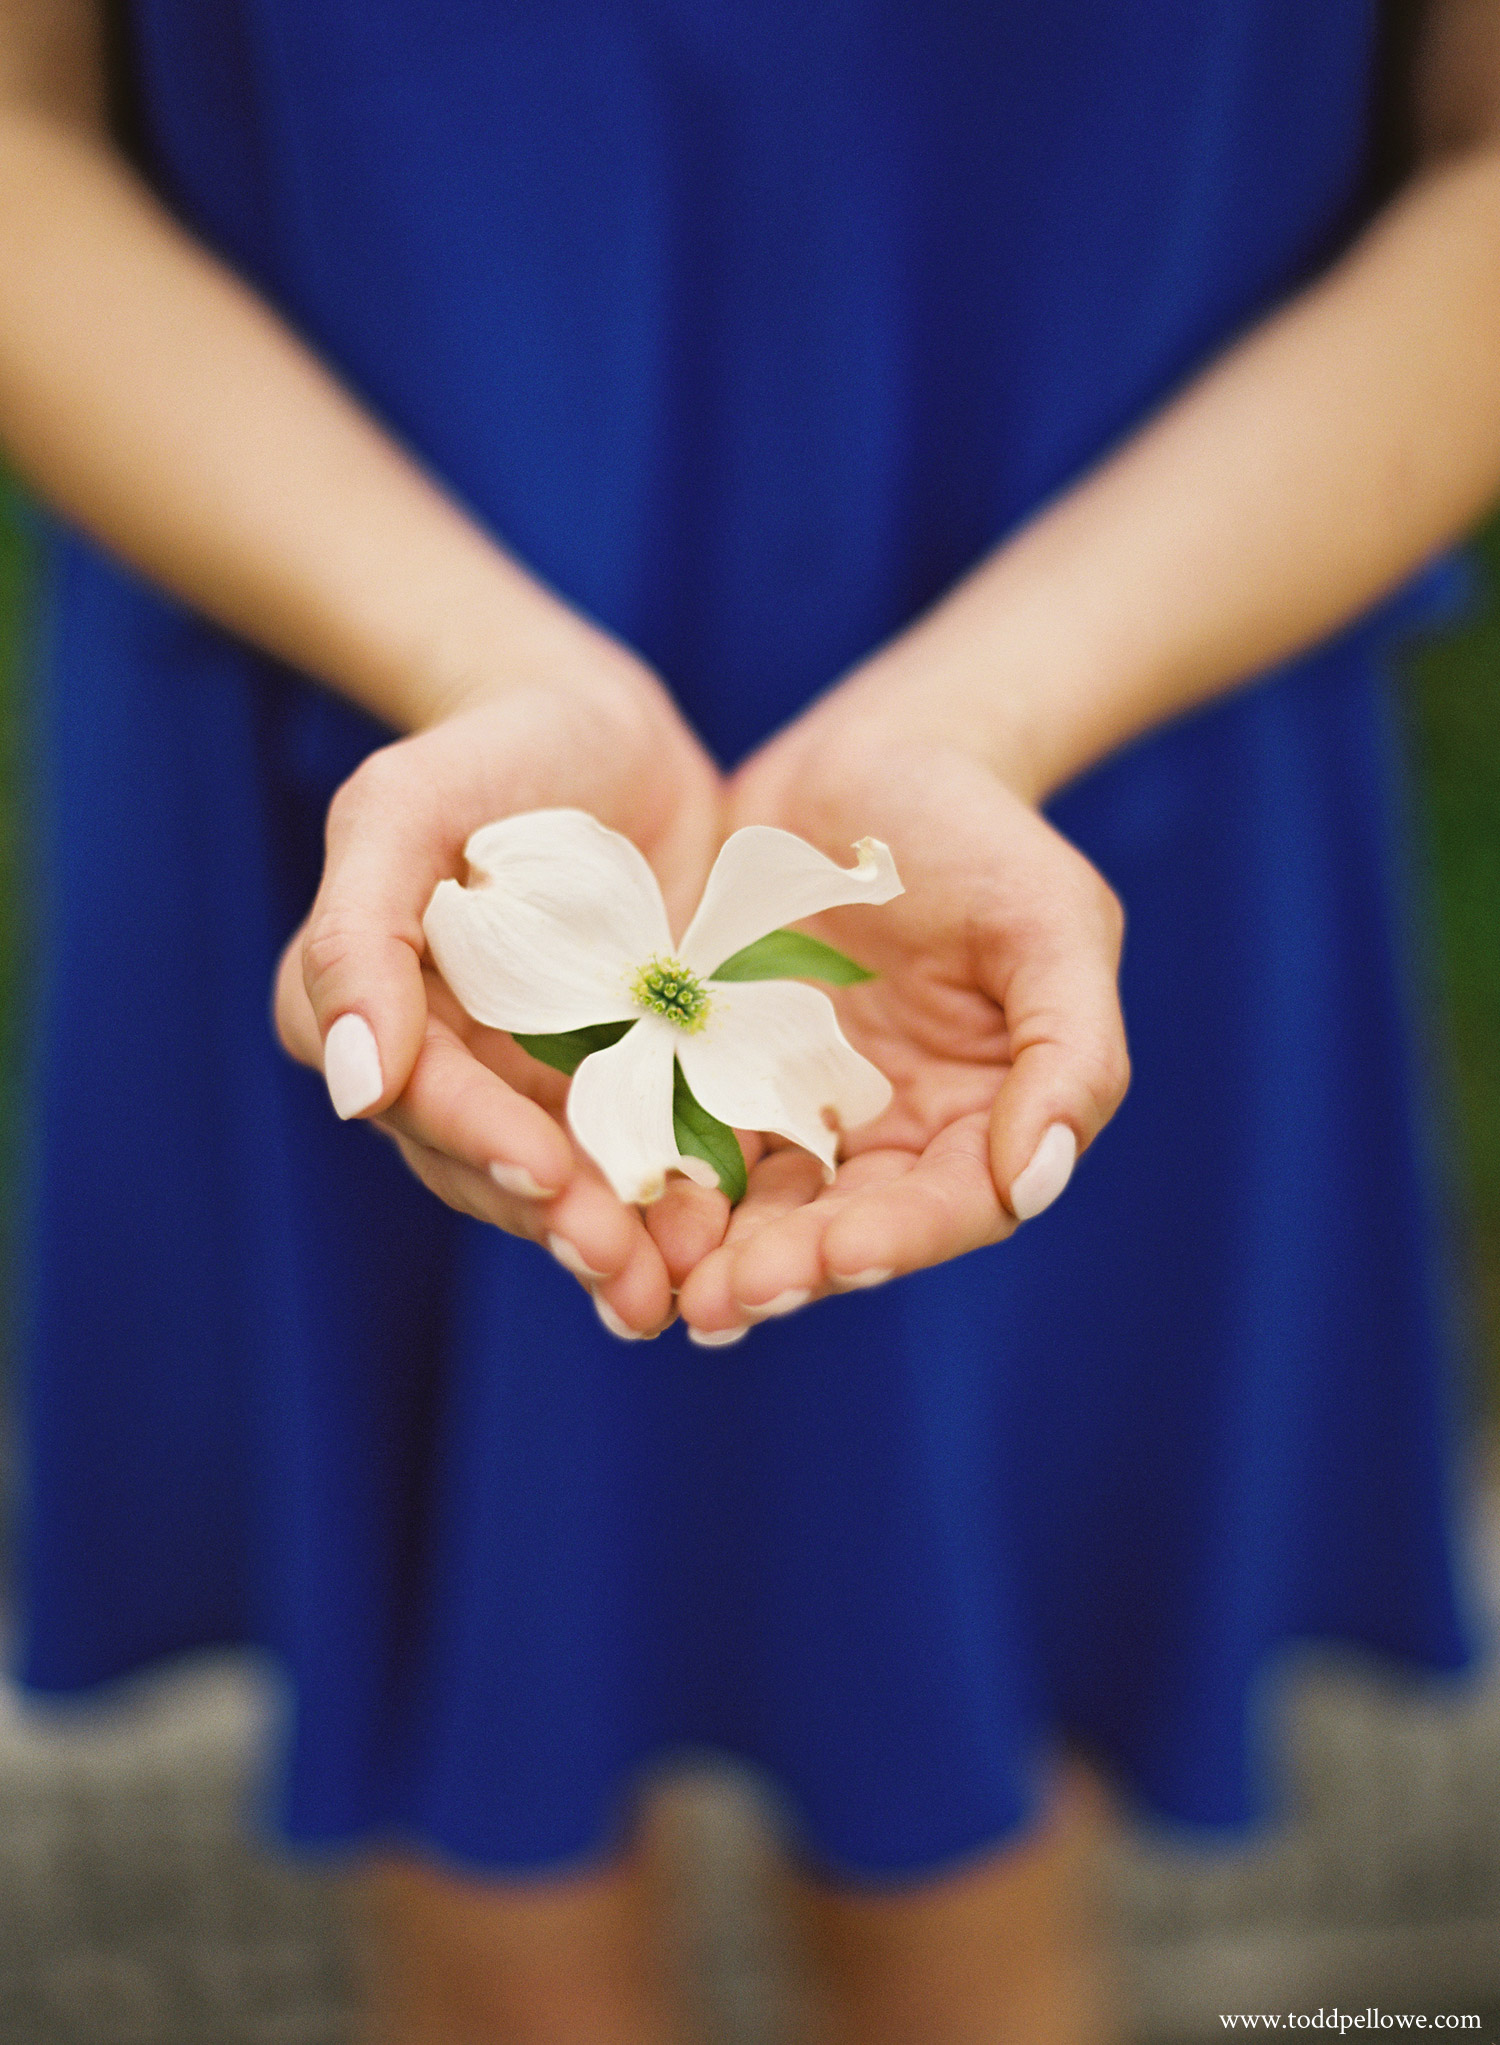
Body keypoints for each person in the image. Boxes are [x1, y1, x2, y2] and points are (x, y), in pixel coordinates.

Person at [1, 0, 1496, 2038]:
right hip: (368, 703)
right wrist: (461, 655)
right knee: (493, 1898)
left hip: (1089, 721)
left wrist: (997, 709)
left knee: (974, 1846)